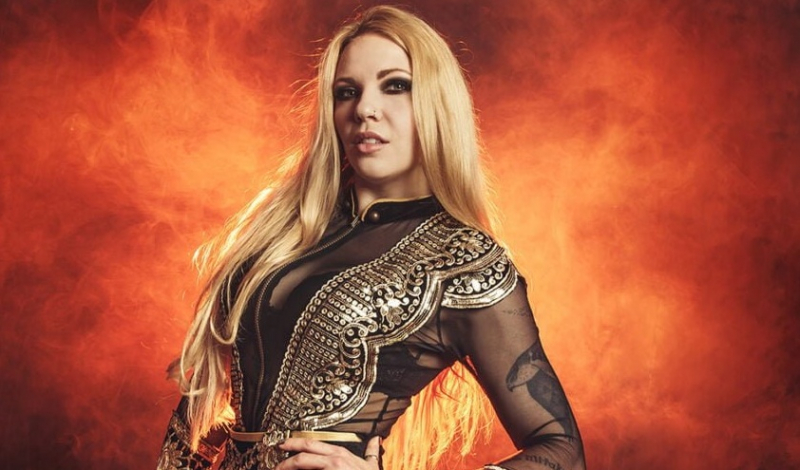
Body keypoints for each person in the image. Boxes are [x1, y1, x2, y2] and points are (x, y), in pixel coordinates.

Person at [156, 5, 585, 470]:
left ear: (437, 102)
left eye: (395, 85)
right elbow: (206, 409)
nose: (364, 109)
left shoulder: (465, 261)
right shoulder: (284, 229)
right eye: (347, 92)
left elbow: (562, 452)